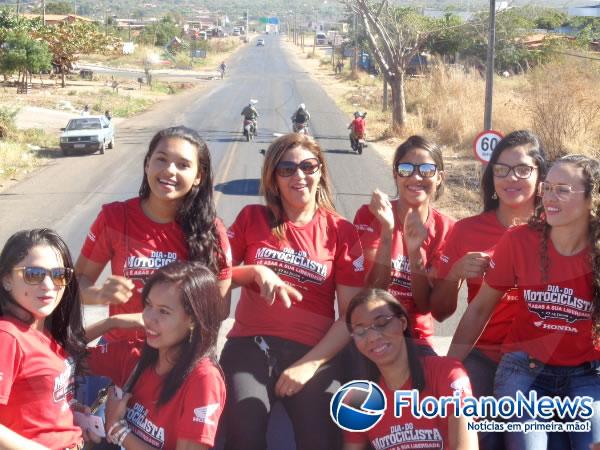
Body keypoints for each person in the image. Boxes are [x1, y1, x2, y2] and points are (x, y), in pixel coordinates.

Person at [220, 133, 365, 450]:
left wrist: (309, 364)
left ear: (320, 171)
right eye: (286, 169)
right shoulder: (252, 218)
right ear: (273, 179)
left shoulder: (341, 231)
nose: (299, 176)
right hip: (250, 346)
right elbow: (213, 277)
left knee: (322, 439)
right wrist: (255, 272)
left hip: (314, 352)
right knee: (245, 428)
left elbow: (351, 316)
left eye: (307, 166)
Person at [448, 154, 600, 450]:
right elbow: (479, 309)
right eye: (548, 187)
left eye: (563, 190)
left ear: (591, 200)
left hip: (586, 374)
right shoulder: (520, 240)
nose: (550, 197)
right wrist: (448, 367)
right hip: (525, 370)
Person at [430, 131, 547, 450]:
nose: (512, 178)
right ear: (491, 175)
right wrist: (455, 273)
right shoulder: (466, 231)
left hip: (541, 361)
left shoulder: (558, 229)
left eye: (523, 169)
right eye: (501, 169)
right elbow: (440, 311)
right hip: (482, 357)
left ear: (540, 174)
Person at [75, 125, 232, 344]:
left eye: (183, 165)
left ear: (198, 176)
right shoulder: (114, 218)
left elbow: (219, 310)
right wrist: (99, 294)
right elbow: (76, 283)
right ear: (147, 164)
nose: (169, 170)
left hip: (179, 354)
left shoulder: (211, 231)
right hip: (121, 349)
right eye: (161, 159)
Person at [85, 261, 226, 449]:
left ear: (193, 320)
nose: (149, 318)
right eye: (148, 305)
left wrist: (118, 431)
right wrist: (110, 323)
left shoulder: (203, 379)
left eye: (164, 312)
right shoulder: (136, 354)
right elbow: (60, 353)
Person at [353, 135, 454, 353]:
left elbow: (426, 305)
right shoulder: (369, 215)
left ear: (439, 177)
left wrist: (415, 250)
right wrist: (387, 232)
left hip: (416, 336)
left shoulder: (449, 231)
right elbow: (371, 292)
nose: (416, 177)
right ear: (395, 175)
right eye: (406, 168)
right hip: (371, 329)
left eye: (426, 169)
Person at [343, 288, 478, 450]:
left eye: (381, 323)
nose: (372, 337)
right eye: (360, 331)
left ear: (403, 322)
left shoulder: (447, 372)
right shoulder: (357, 400)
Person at [0, 228, 87, 449]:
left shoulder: (41, 328)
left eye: (59, 275)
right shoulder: (7, 337)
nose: (49, 285)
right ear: (6, 280)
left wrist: (69, 411)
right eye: (34, 274)